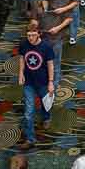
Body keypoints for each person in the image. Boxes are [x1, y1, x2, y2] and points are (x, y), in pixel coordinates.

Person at [18, 20, 55, 148]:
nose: (30, 38)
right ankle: (30, 139)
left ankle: (46, 118)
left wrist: (51, 82)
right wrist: (21, 73)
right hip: (29, 83)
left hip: (43, 82)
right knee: (28, 112)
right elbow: (22, 58)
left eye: (33, 35)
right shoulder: (24, 44)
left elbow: (50, 66)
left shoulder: (46, 47)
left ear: (39, 34)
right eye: (28, 35)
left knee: (46, 103)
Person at [38, 0, 78, 76]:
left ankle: (73, 37)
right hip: (53, 14)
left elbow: (75, 2)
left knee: (66, 30)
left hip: (66, 11)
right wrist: (46, 10)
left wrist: (63, 9)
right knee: (55, 38)